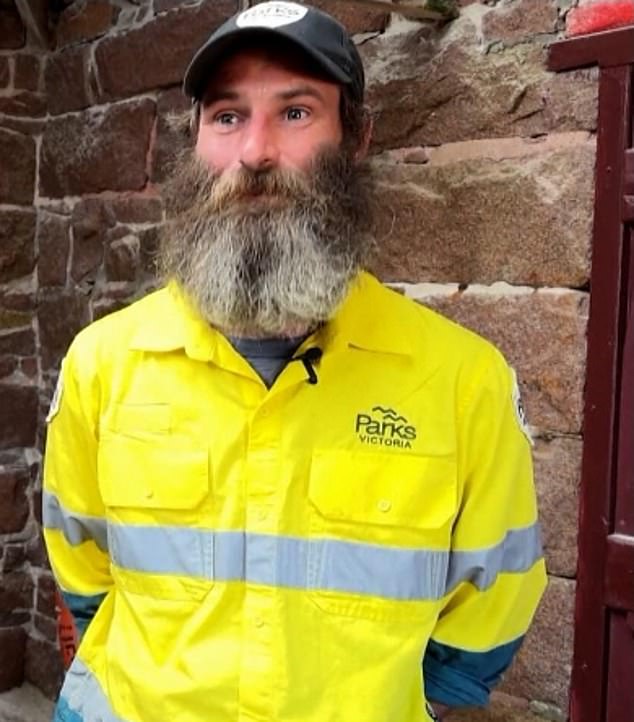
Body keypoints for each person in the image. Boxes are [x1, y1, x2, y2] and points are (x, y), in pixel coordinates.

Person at [42, 3, 547, 721]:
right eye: (227, 117)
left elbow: (488, 611)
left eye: (296, 113)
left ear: (358, 138)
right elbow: (85, 575)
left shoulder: (464, 380)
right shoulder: (102, 364)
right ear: (195, 141)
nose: (254, 152)